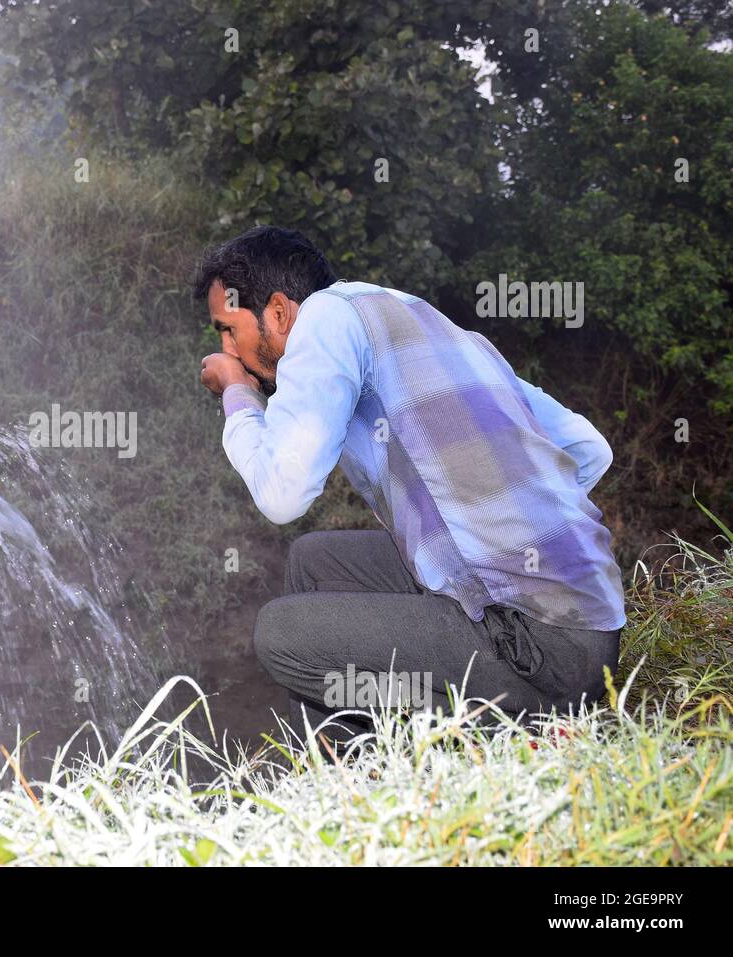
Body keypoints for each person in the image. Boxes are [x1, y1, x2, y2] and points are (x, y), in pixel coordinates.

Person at [193, 225, 625, 744]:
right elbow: (588, 448)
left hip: (543, 649)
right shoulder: (433, 326)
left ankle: (498, 731)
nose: (227, 350)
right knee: (316, 561)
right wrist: (512, 544)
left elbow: (282, 495)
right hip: (590, 623)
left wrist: (237, 395)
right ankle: (342, 765)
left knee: (281, 634)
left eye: (227, 329)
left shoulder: (324, 321)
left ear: (280, 312)